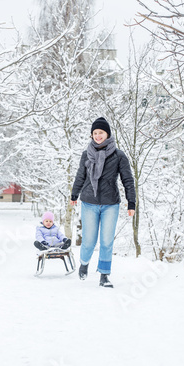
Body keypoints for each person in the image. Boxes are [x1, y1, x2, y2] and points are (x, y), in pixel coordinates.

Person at [70, 117, 136, 288]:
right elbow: (80, 176)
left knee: (107, 241)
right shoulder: (87, 154)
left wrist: (131, 203)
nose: (98, 136)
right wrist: (74, 194)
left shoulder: (119, 155)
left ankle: (104, 276)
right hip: (89, 203)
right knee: (89, 241)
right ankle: (84, 263)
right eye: (95, 133)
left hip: (110, 204)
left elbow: (127, 180)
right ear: (92, 135)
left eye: (101, 132)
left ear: (107, 134)